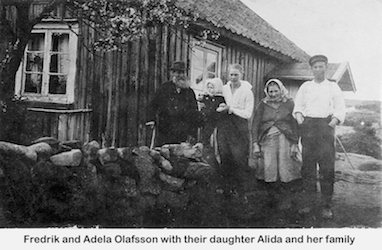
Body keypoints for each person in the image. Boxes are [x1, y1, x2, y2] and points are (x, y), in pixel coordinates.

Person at [293, 55, 346, 219]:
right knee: (308, 167)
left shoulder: (333, 87)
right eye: (315, 67)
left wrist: (332, 122)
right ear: (312, 69)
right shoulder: (305, 86)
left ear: (326, 68)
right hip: (308, 128)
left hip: (325, 127)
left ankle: (326, 205)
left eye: (321, 67)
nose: (318, 70)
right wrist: (300, 118)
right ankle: (308, 202)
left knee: (327, 168)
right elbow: (298, 106)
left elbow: (340, 108)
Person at [252, 79, 301, 210]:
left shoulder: (289, 103)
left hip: (286, 137)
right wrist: (255, 143)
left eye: (276, 91)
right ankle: (271, 200)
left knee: (285, 167)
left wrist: (295, 143)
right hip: (268, 138)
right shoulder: (262, 104)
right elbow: (255, 124)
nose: (273, 94)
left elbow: (294, 124)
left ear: (281, 90)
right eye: (270, 91)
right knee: (269, 167)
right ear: (267, 92)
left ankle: (285, 201)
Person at [216, 63, 254, 197]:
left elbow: (248, 113)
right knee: (225, 156)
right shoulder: (224, 88)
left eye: (236, 75)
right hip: (225, 125)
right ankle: (227, 190)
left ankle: (242, 191)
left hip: (239, 127)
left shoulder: (247, 91)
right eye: (231, 74)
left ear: (241, 75)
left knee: (239, 159)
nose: (233, 77)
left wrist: (231, 109)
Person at [146, 61, 201, 146]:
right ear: (172, 73)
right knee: (164, 153)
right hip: (165, 127)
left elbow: (194, 111)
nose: (181, 75)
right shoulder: (164, 88)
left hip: (183, 129)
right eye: (178, 72)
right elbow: (153, 104)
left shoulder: (189, 92)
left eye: (183, 72)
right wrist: (151, 120)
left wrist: (193, 130)